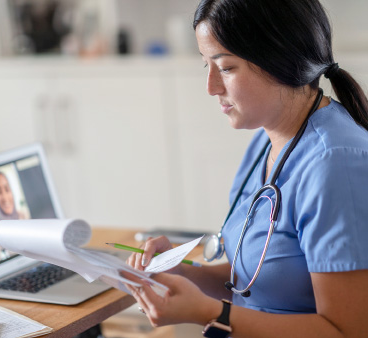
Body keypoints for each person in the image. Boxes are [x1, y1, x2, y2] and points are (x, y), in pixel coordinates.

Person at [125, 0, 368, 337]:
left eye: (225, 67)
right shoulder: (267, 140)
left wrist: (212, 313)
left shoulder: (336, 164)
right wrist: (182, 272)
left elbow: (348, 331)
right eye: (205, 65)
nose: (210, 86)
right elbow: (256, 283)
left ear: (280, 61)